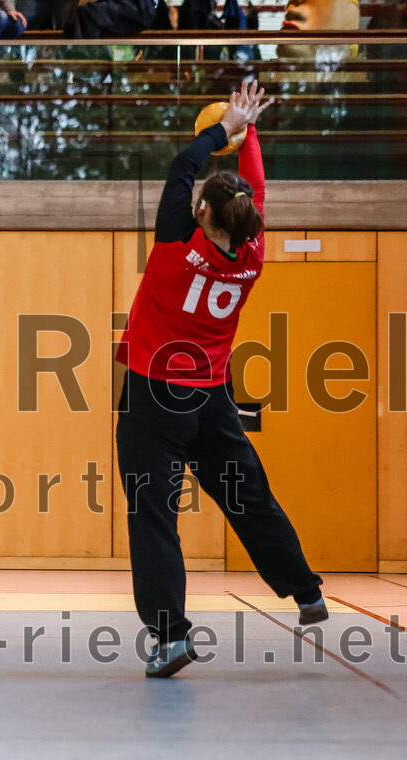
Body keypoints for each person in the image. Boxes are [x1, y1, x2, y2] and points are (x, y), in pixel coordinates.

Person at [115, 80, 327, 679]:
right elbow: (250, 189)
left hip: (156, 395)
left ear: (202, 212)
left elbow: (183, 165)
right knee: (247, 494)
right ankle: (305, 589)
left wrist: (224, 128)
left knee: (154, 513)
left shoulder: (173, 245)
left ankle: (170, 637)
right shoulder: (252, 255)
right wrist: (247, 131)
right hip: (211, 398)